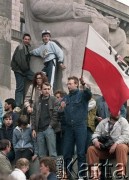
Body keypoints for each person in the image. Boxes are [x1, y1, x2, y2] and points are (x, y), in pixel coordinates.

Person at [60, 76, 92, 178]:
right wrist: (61, 108)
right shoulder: (65, 98)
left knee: (81, 153)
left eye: (70, 84)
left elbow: (89, 94)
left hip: (80, 127)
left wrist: (84, 84)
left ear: (76, 84)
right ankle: (68, 176)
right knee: (66, 153)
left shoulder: (82, 95)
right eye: (67, 84)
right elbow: (60, 113)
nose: (68, 86)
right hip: (69, 128)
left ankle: (81, 176)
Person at [87, 112, 129, 179]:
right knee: (91, 149)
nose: (118, 113)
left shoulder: (123, 121)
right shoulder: (104, 122)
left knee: (121, 147)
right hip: (106, 149)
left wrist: (116, 144)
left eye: (118, 110)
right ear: (110, 111)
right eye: (115, 111)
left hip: (118, 149)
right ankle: (94, 176)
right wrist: (95, 141)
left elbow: (126, 136)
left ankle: (121, 175)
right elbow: (96, 133)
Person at [31, 82, 58, 158]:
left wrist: (50, 126)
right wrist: (33, 129)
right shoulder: (37, 101)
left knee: (52, 153)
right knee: (41, 155)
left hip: (49, 128)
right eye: (45, 89)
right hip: (39, 130)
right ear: (41, 90)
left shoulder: (53, 100)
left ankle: (53, 170)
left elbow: (56, 115)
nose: (47, 91)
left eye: (48, 89)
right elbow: (33, 116)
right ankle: (44, 170)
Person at [11, 33, 35, 109]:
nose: (27, 41)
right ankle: (18, 105)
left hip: (23, 70)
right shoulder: (20, 47)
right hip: (20, 70)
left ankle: (20, 103)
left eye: (28, 39)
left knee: (35, 78)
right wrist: (26, 70)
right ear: (23, 39)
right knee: (20, 87)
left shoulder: (27, 48)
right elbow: (19, 60)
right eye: (25, 39)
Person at [54, 90, 67, 156]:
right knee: (58, 150)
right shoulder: (55, 107)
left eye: (58, 97)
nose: (56, 99)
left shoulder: (67, 107)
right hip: (57, 131)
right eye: (55, 97)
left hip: (65, 131)